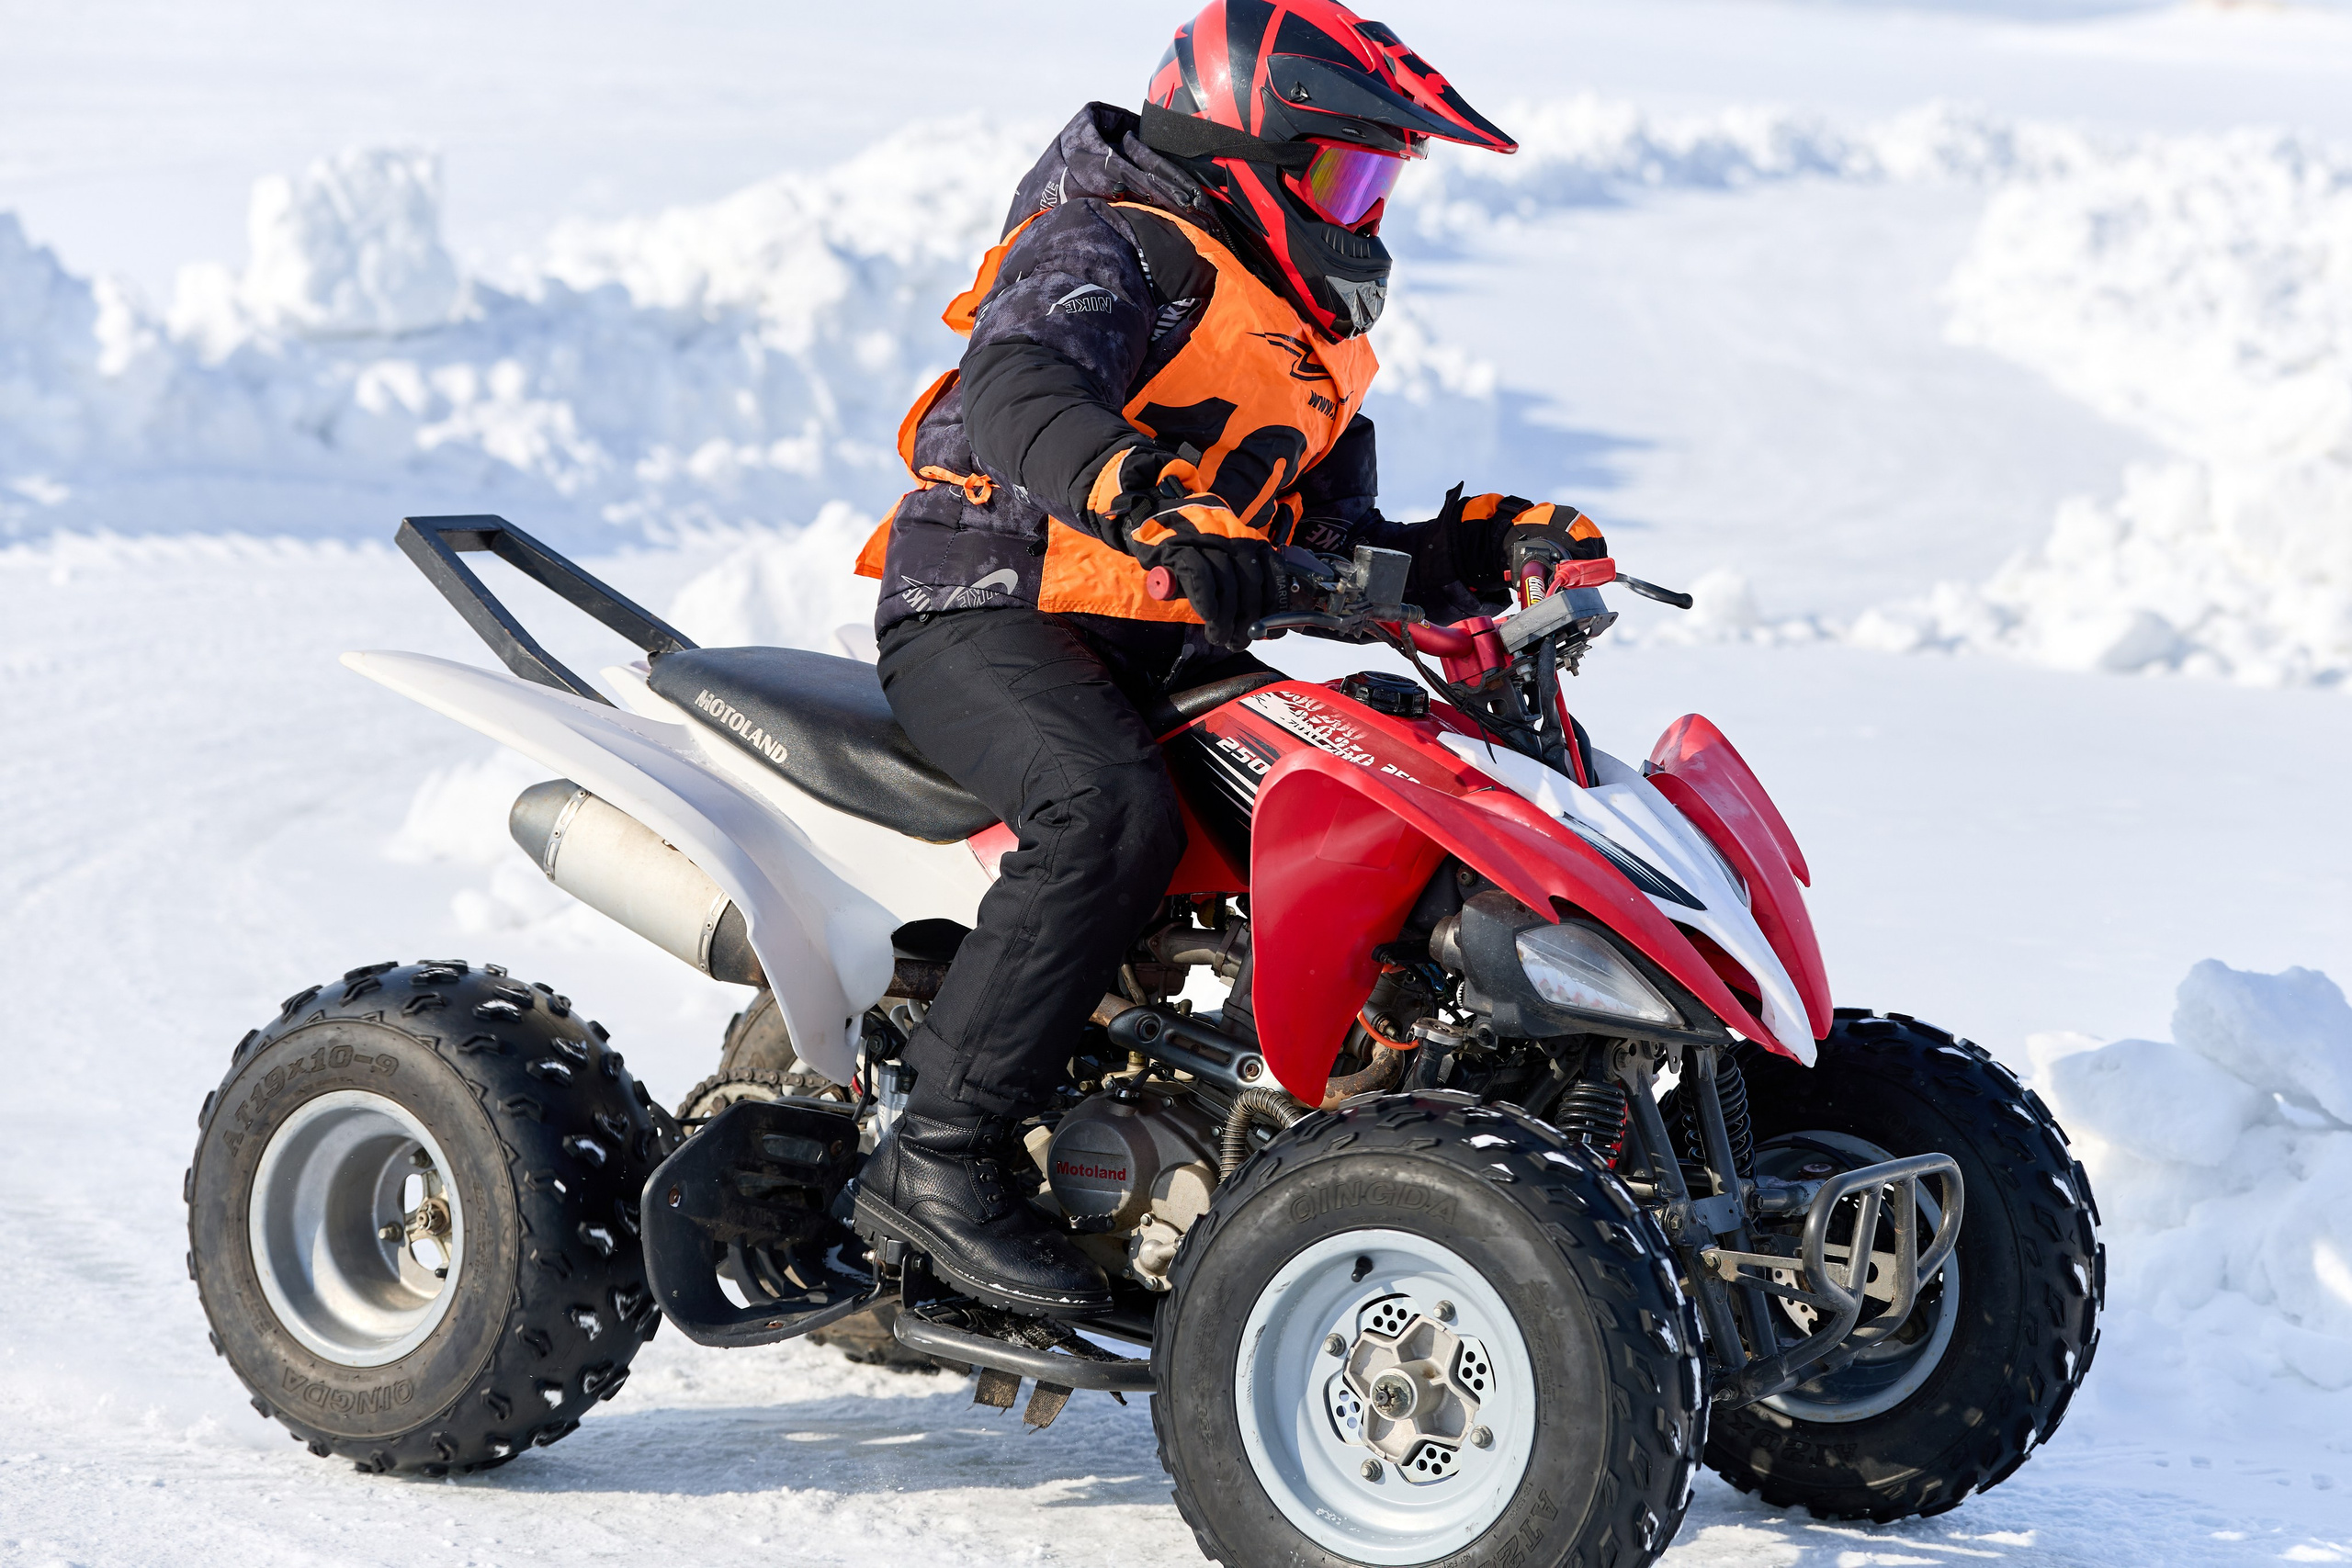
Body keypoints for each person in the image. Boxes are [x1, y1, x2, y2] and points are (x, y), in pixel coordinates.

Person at [850, 0, 1608, 1314]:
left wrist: (1477, 557)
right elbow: (1022, 392)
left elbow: (1332, 549)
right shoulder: (1112, 243)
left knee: (1363, 777)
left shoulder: (1314, 351)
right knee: (1104, 813)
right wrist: (1148, 498)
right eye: (1342, 173)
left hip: (1150, 647)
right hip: (991, 609)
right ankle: (940, 1156)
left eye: (1381, 180)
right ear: (1237, 151)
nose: (1362, 209)